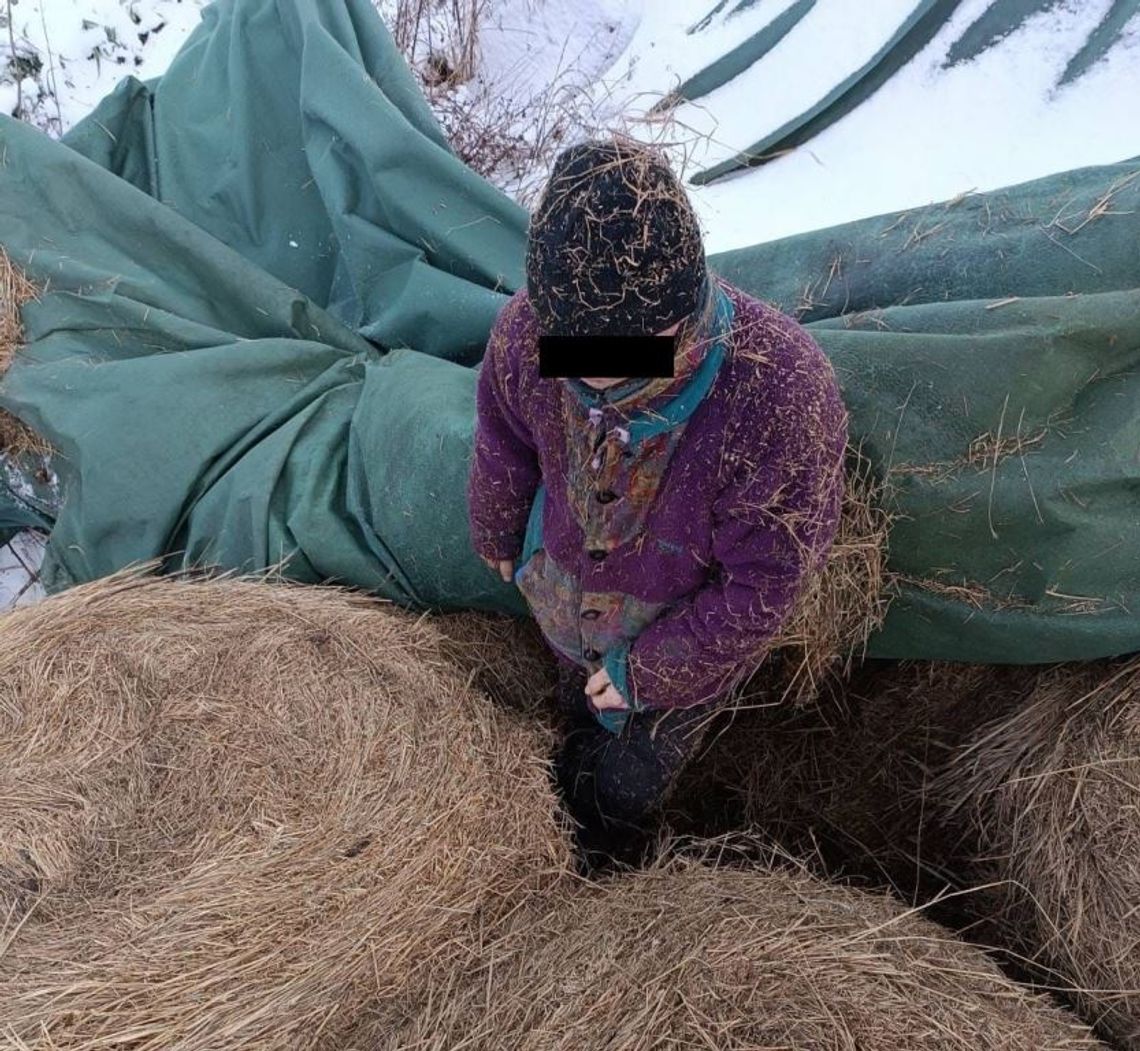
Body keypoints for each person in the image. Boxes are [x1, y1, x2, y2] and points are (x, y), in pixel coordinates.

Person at [466, 136, 848, 871]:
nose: (599, 369)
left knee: (626, 782)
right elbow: (503, 431)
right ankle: (580, 757)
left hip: (678, 641)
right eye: (575, 342)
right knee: (574, 718)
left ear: (681, 305)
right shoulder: (526, 335)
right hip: (563, 600)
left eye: (635, 345)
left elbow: (767, 583)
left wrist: (653, 673)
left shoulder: (778, 396)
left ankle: (611, 850)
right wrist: (496, 520)